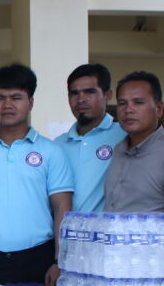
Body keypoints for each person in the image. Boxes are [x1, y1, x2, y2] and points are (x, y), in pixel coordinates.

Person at [0, 64, 73, 286]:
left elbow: (62, 208)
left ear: (31, 102)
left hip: (40, 258)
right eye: (0, 98)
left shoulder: (51, 151)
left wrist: (59, 261)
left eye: (16, 97)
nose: (7, 105)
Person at [54, 64, 125, 213]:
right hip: (64, 227)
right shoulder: (57, 145)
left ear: (108, 96)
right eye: (74, 93)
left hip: (109, 227)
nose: (81, 99)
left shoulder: (125, 136)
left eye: (89, 92)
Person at [104, 71, 164, 212]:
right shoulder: (118, 149)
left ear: (159, 109)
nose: (128, 110)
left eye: (138, 102)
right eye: (122, 103)